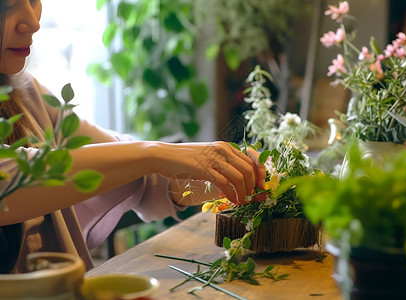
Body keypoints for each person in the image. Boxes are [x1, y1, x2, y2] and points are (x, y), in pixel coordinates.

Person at [0, 0, 265, 273]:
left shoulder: (25, 92)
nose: (33, 22)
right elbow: (13, 176)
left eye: (33, 0)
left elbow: (137, 174)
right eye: (7, 5)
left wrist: (225, 174)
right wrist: (155, 154)